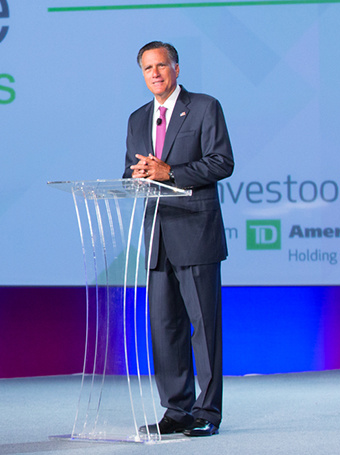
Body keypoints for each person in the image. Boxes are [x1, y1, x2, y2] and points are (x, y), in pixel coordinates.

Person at [123, 41, 234, 438]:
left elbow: (222, 162)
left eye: (161, 65)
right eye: (147, 68)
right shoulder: (138, 118)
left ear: (176, 68)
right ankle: (176, 410)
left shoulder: (204, 107)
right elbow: (131, 170)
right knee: (165, 327)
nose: (155, 73)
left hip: (195, 232)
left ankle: (208, 412)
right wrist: (135, 177)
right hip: (157, 236)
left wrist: (170, 172)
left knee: (204, 328)